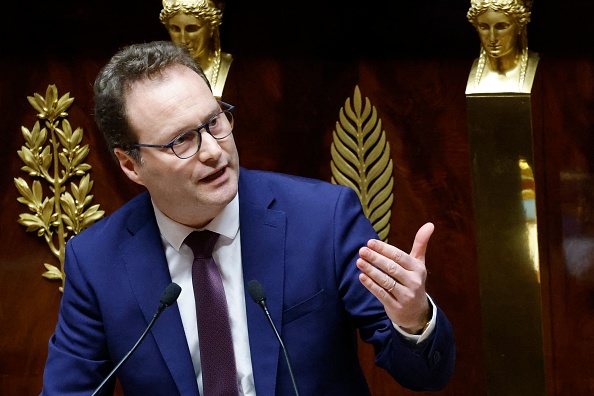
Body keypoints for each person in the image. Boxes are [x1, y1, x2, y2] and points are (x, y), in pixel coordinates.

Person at [41, 40, 455, 395]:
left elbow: (424, 374)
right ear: (131, 166)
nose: (213, 151)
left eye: (214, 122)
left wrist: (414, 320)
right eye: (182, 139)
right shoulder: (97, 262)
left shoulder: (323, 220)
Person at [160, 0, 233, 99]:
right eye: (175, 29)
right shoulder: (161, 71)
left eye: (192, 29)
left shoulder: (232, 69)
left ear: (211, 27)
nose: (183, 40)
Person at [466, 0, 539, 93]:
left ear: (520, 25)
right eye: (484, 27)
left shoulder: (544, 72)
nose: (492, 38)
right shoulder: (461, 73)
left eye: (501, 27)